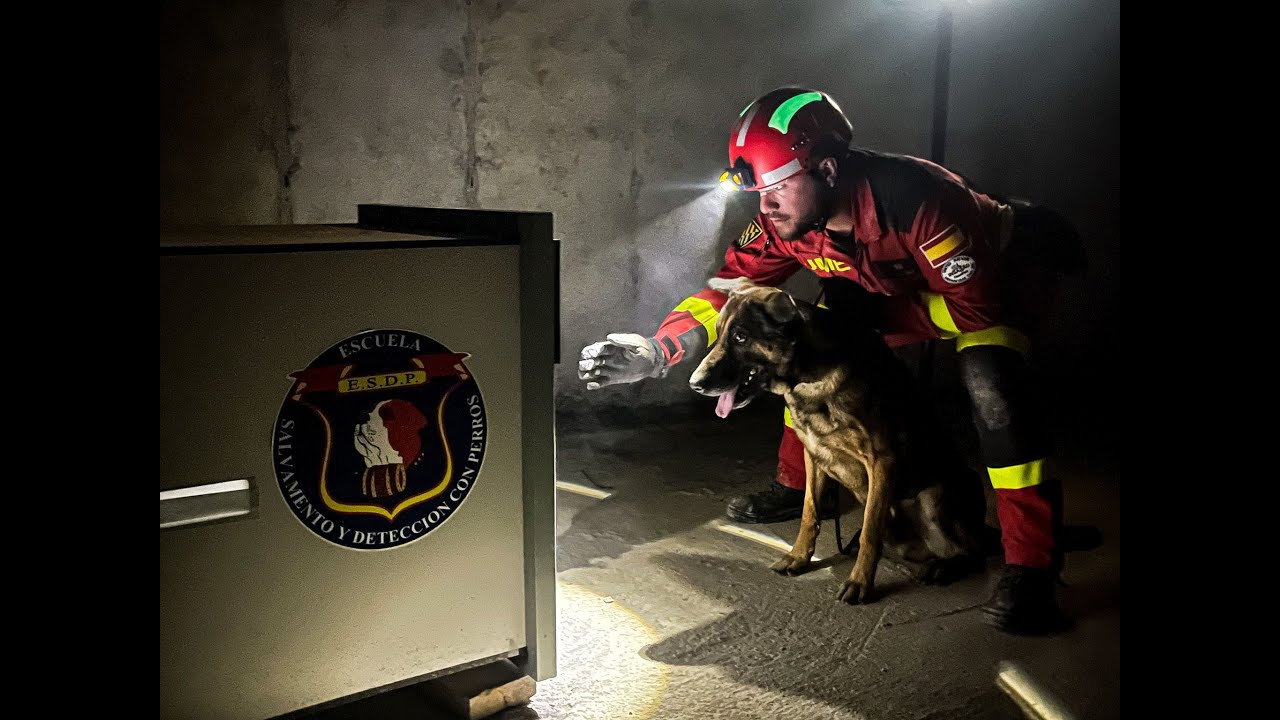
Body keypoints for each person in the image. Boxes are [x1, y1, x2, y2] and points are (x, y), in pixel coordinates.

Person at [578, 87, 1086, 635]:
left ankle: (1032, 565)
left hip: (998, 285)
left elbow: (972, 309)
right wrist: (659, 350)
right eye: (758, 193)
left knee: (993, 388)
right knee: (812, 337)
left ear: (825, 168)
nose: (765, 206)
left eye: (776, 188)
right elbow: (728, 290)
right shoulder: (782, 219)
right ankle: (796, 484)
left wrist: (857, 331)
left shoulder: (923, 200)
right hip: (895, 289)